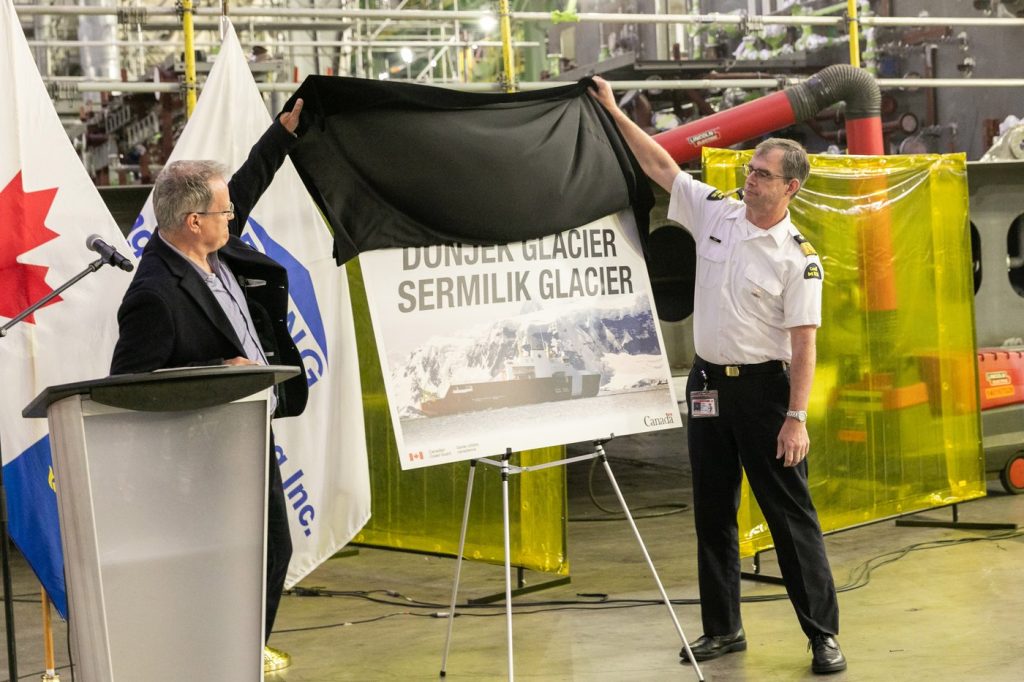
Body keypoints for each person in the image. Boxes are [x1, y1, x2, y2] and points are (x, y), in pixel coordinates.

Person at [589, 77, 846, 675]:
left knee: (789, 519)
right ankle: (723, 629)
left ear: (791, 187)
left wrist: (796, 418)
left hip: (765, 394)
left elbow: (804, 346)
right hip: (706, 385)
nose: (748, 178)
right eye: (751, 168)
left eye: (762, 174)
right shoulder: (716, 214)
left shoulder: (797, 259)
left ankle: (822, 636)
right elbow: (658, 162)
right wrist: (609, 110)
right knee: (712, 509)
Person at [109, 100, 307, 673]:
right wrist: (219, 374)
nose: (233, 215)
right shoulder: (154, 293)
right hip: (204, 450)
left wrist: (282, 134)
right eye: (224, 212)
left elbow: (244, 184)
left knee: (272, 551)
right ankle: (220, 656)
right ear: (193, 220)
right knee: (236, 558)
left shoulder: (208, 244)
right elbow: (129, 387)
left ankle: (241, 650)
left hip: (248, 429)